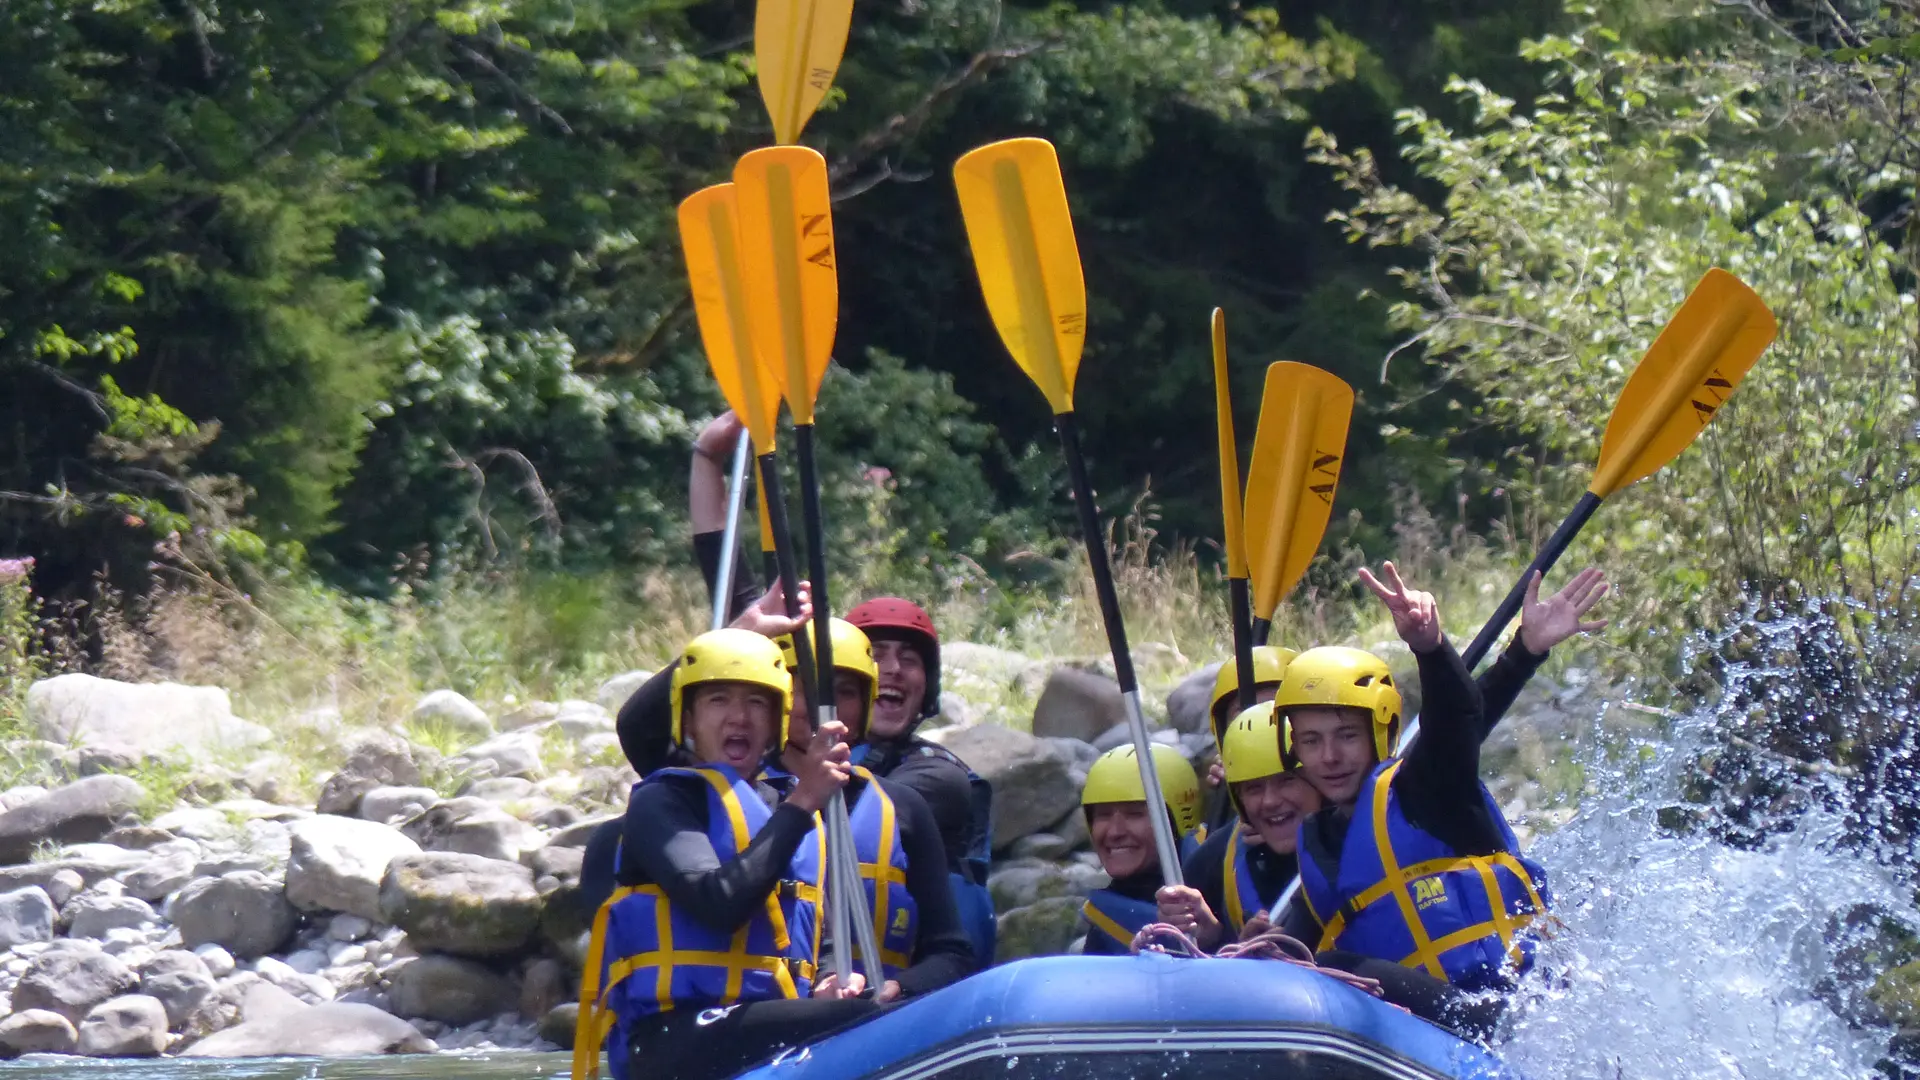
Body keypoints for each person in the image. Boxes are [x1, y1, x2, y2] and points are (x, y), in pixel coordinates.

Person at [1279, 563, 1608, 1036]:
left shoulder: (1429, 791)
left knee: (1332, 964)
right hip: (1421, 1037)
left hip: (1508, 1012)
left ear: (1381, 732)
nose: (1329, 757)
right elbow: (1297, 953)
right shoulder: (1317, 843)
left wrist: (1430, 647)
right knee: (1309, 962)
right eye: (1311, 741)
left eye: (1346, 736)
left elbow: (1458, 718)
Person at [573, 628, 862, 1080]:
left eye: (756, 702)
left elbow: (816, 937)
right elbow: (720, 903)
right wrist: (805, 801)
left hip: (761, 1023)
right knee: (865, 1023)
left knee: (866, 1008)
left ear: (777, 722)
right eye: (718, 700)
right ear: (687, 721)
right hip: (672, 1036)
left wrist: (829, 980)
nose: (739, 717)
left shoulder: (787, 808)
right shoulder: (661, 801)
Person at [767, 617, 977, 995]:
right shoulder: (745, 799)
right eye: (807, 689)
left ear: (865, 706)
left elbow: (951, 953)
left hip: (872, 1015)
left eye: (845, 692)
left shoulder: (904, 807)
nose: (825, 707)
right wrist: (751, 625)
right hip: (772, 1017)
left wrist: (898, 987)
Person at [1157, 700, 1322, 949]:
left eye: (1287, 781)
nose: (1270, 801)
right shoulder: (1210, 861)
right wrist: (1214, 938)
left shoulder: (1357, 848)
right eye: (1253, 788)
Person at [1076, 743, 1204, 954]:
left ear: (1176, 820)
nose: (1115, 832)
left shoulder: (1219, 884)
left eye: (1134, 814)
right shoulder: (1105, 924)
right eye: (1103, 815)